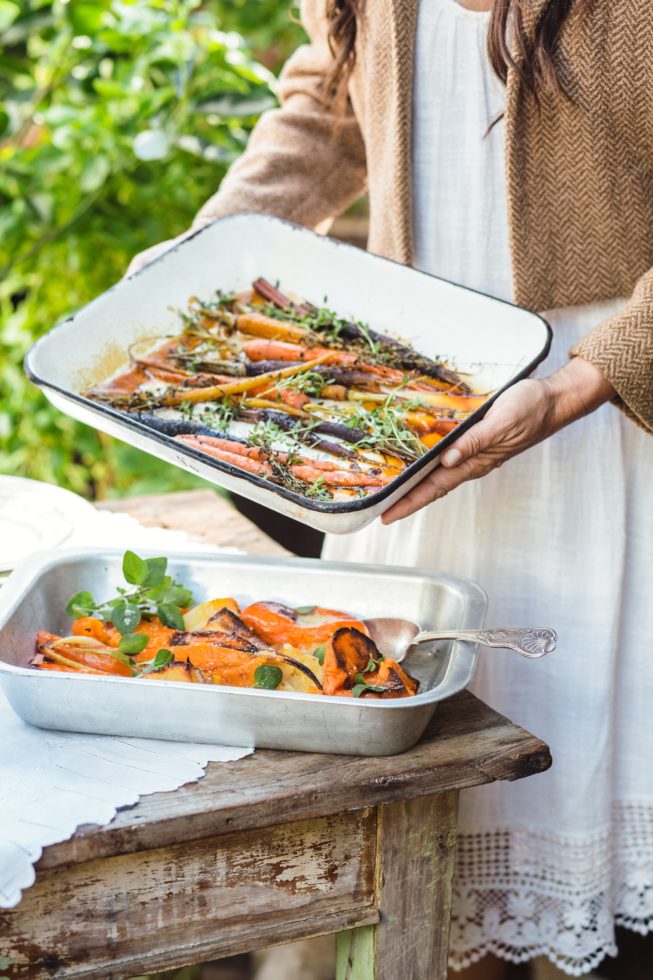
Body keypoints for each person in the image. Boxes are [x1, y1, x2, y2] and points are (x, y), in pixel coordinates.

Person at [129, 1, 653, 976]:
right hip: (419, 428)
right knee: (440, 847)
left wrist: (588, 377)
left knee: (590, 889)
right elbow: (331, 94)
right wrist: (214, 248)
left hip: (613, 437)